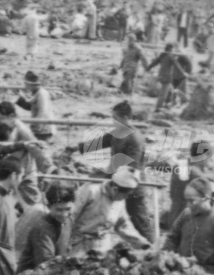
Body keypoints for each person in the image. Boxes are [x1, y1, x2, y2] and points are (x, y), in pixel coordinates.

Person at [64, 101, 154, 241]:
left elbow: (133, 167)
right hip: (117, 182)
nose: (113, 122)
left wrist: (112, 177)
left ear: (125, 118)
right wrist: (77, 147)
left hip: (132, 185)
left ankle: (150, 246)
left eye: (115, 119)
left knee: (138, 219)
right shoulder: (118, 132)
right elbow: (99, 142)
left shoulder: (135, 138)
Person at [66, 168, 152, 255]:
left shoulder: (120, 201)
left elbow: (123, 225)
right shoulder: (90, 191)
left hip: (103, 245)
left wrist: (142, 243)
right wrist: (65, 243)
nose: (126, 198)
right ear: (115, 189)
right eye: (125, 195)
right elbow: (70, 216)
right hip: (79, 244)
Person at [164, 177, 214, 274]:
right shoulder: (186, 214)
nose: (188, 205)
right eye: (187, 200)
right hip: (180, 268)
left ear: (206, 198)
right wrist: (166, 255)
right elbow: (172, 238)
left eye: (192, 201)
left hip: (206, 272)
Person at [17, 184, 74, 271]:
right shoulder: (42, 229)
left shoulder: (69, 221)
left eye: (68, 209)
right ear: (49, 207)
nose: (64, 214)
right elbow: (46, 264)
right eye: (59, 210)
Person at [16, 71, 56, 141]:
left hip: (43, 130)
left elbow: (42, 112)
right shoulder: (37, 93)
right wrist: (20, 99)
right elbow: (31, 107)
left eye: (26, 84)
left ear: (30, 84)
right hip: (40, 128)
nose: (25, 86)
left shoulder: (41, 94)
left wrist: (34, 127)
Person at [147, 43, 182, 111]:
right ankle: (158, 108)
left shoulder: (163, 55)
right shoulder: (170, 56)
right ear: (171, 49)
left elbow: (155, 62)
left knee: (171, 91)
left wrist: (149, 67)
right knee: (163, 94)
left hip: (161, 76)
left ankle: (167, 105)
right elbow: (177, 65)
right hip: (167, 78)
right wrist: (183, 74)